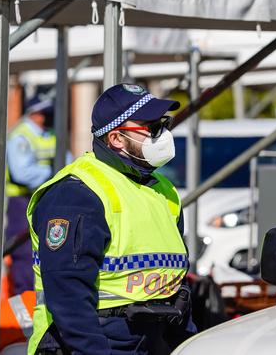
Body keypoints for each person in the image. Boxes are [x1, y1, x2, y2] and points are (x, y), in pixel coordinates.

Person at [26, 83, 195, 355]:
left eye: (164, 124)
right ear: (116, 139)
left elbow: (177, 282)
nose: (162, 135)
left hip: (152, 339)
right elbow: (69, 296)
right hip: (99, 342)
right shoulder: (77, 193)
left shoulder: (162, 190)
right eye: (151, 128)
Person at [5, 96, 58, 295]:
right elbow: (21, 174)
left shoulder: (50, 135)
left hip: (47, 198)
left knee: (50, 247)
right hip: (23, 202)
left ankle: (40, 296)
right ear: (34, 114)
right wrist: (53, 173)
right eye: (44, 113)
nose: (47, 117)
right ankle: (24, 301)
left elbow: (68, 162)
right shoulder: (21, 136)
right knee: (24, 252)